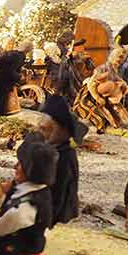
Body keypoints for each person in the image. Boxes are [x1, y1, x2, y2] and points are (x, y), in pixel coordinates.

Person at [35, 95, 87, 226]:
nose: (44, 134)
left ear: (63, 131)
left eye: (47, 130)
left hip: (60, 214)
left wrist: (48, 221)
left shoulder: (64, 157)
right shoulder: (53, 150)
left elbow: (59, 192)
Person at [87, 46, 128, 125]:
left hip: (112, 96)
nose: (120, 61)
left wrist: (124, 84)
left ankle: (123, 121)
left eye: (122, 59)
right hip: (101, 96)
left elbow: (119, 80)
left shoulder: (113, 70)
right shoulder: (103, 68)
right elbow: (91, 84)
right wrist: (97, 98)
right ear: (113, 56)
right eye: (120, 57)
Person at [0, 50, 27, 118]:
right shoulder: (19, 57)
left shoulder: (11, 54)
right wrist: (19, 76)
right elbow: (11, 71)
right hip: (4, 81)